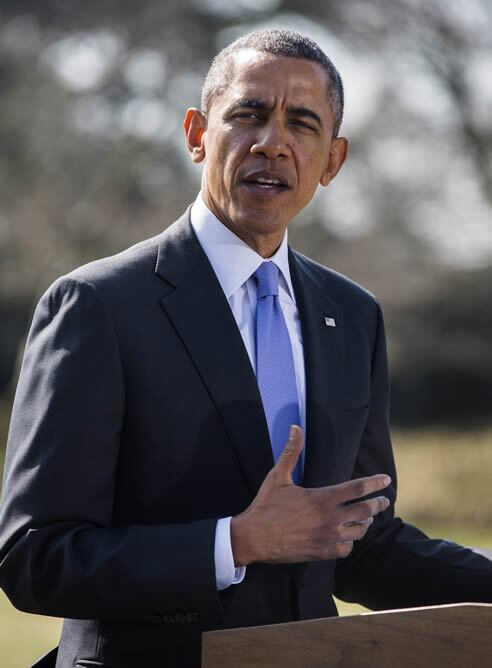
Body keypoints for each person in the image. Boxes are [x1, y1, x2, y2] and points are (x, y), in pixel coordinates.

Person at [0, 29, 490, 668]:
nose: (273, 142)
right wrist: (233, 543)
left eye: (302, 123)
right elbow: (37, 557)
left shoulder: (353, 314)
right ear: (198, 134)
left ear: (332, 160)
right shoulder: (97, 307)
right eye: (249, 114)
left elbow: (360, 543)